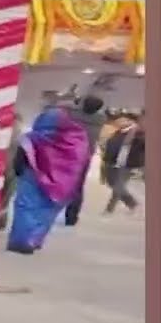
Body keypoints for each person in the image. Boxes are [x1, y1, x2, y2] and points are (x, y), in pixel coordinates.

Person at [5, 101, 92, 254]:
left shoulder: (32, 138)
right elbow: (82, 162)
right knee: (46, 212)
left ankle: (21, 242)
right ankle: (35, 239)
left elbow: (20, 159)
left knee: (26, 208)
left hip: (32, 178)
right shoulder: (77, 139)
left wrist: (19, 171)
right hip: (62, 185)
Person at [61, 94, 108, 226]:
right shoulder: (100, 119)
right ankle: (71, 217)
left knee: (56, 179)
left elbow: (66, 107)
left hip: (66, 153)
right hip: (84, 156)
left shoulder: (74, 115)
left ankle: (49, 209)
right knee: (77, 187)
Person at [101, 116, 144, 215]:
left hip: (127, 163)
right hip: (113, 161)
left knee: (118, 186)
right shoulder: (119, 132)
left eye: (123, 120)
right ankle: (116, 208)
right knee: (112, 183)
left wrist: (139, 165)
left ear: (130, 121)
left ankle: (130, 205)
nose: (119, 121)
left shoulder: (138, 132)